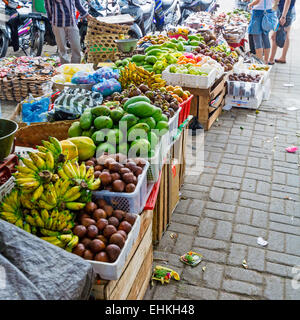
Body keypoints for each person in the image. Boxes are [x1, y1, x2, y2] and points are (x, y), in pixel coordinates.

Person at [269, 0, 296, 64]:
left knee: (275, 35)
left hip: (284, 11)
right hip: (289, 10)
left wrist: (283, 16)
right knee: (286, 34)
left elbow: (288, 1)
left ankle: (271, 59)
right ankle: (283, 57)